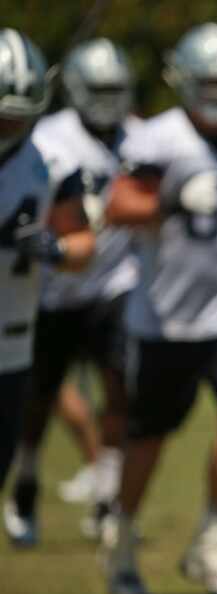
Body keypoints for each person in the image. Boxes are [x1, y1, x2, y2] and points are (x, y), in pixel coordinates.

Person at [101, 23, 217, 594]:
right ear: (187, 81)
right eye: (212, 80)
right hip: (165, 317)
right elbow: (119, 204)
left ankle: (211, 543)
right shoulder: (159, 137)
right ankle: (121, 542)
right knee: (147, 440)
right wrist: (171, 197)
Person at [4, 37, 139, 547]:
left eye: (116, 89)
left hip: (112, 283)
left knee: (120, 391)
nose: (108, 99)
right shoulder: (48, 139)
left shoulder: (139, 136)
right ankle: (27, 480)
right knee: (36, 400)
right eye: (99, 88)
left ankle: (107, 497)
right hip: (48, 291)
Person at [0, 28, 96, 493]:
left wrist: (51, 249)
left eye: (19, 119)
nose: (10, 128)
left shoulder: (52, 161)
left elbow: (82, 245)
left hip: (12, 342)